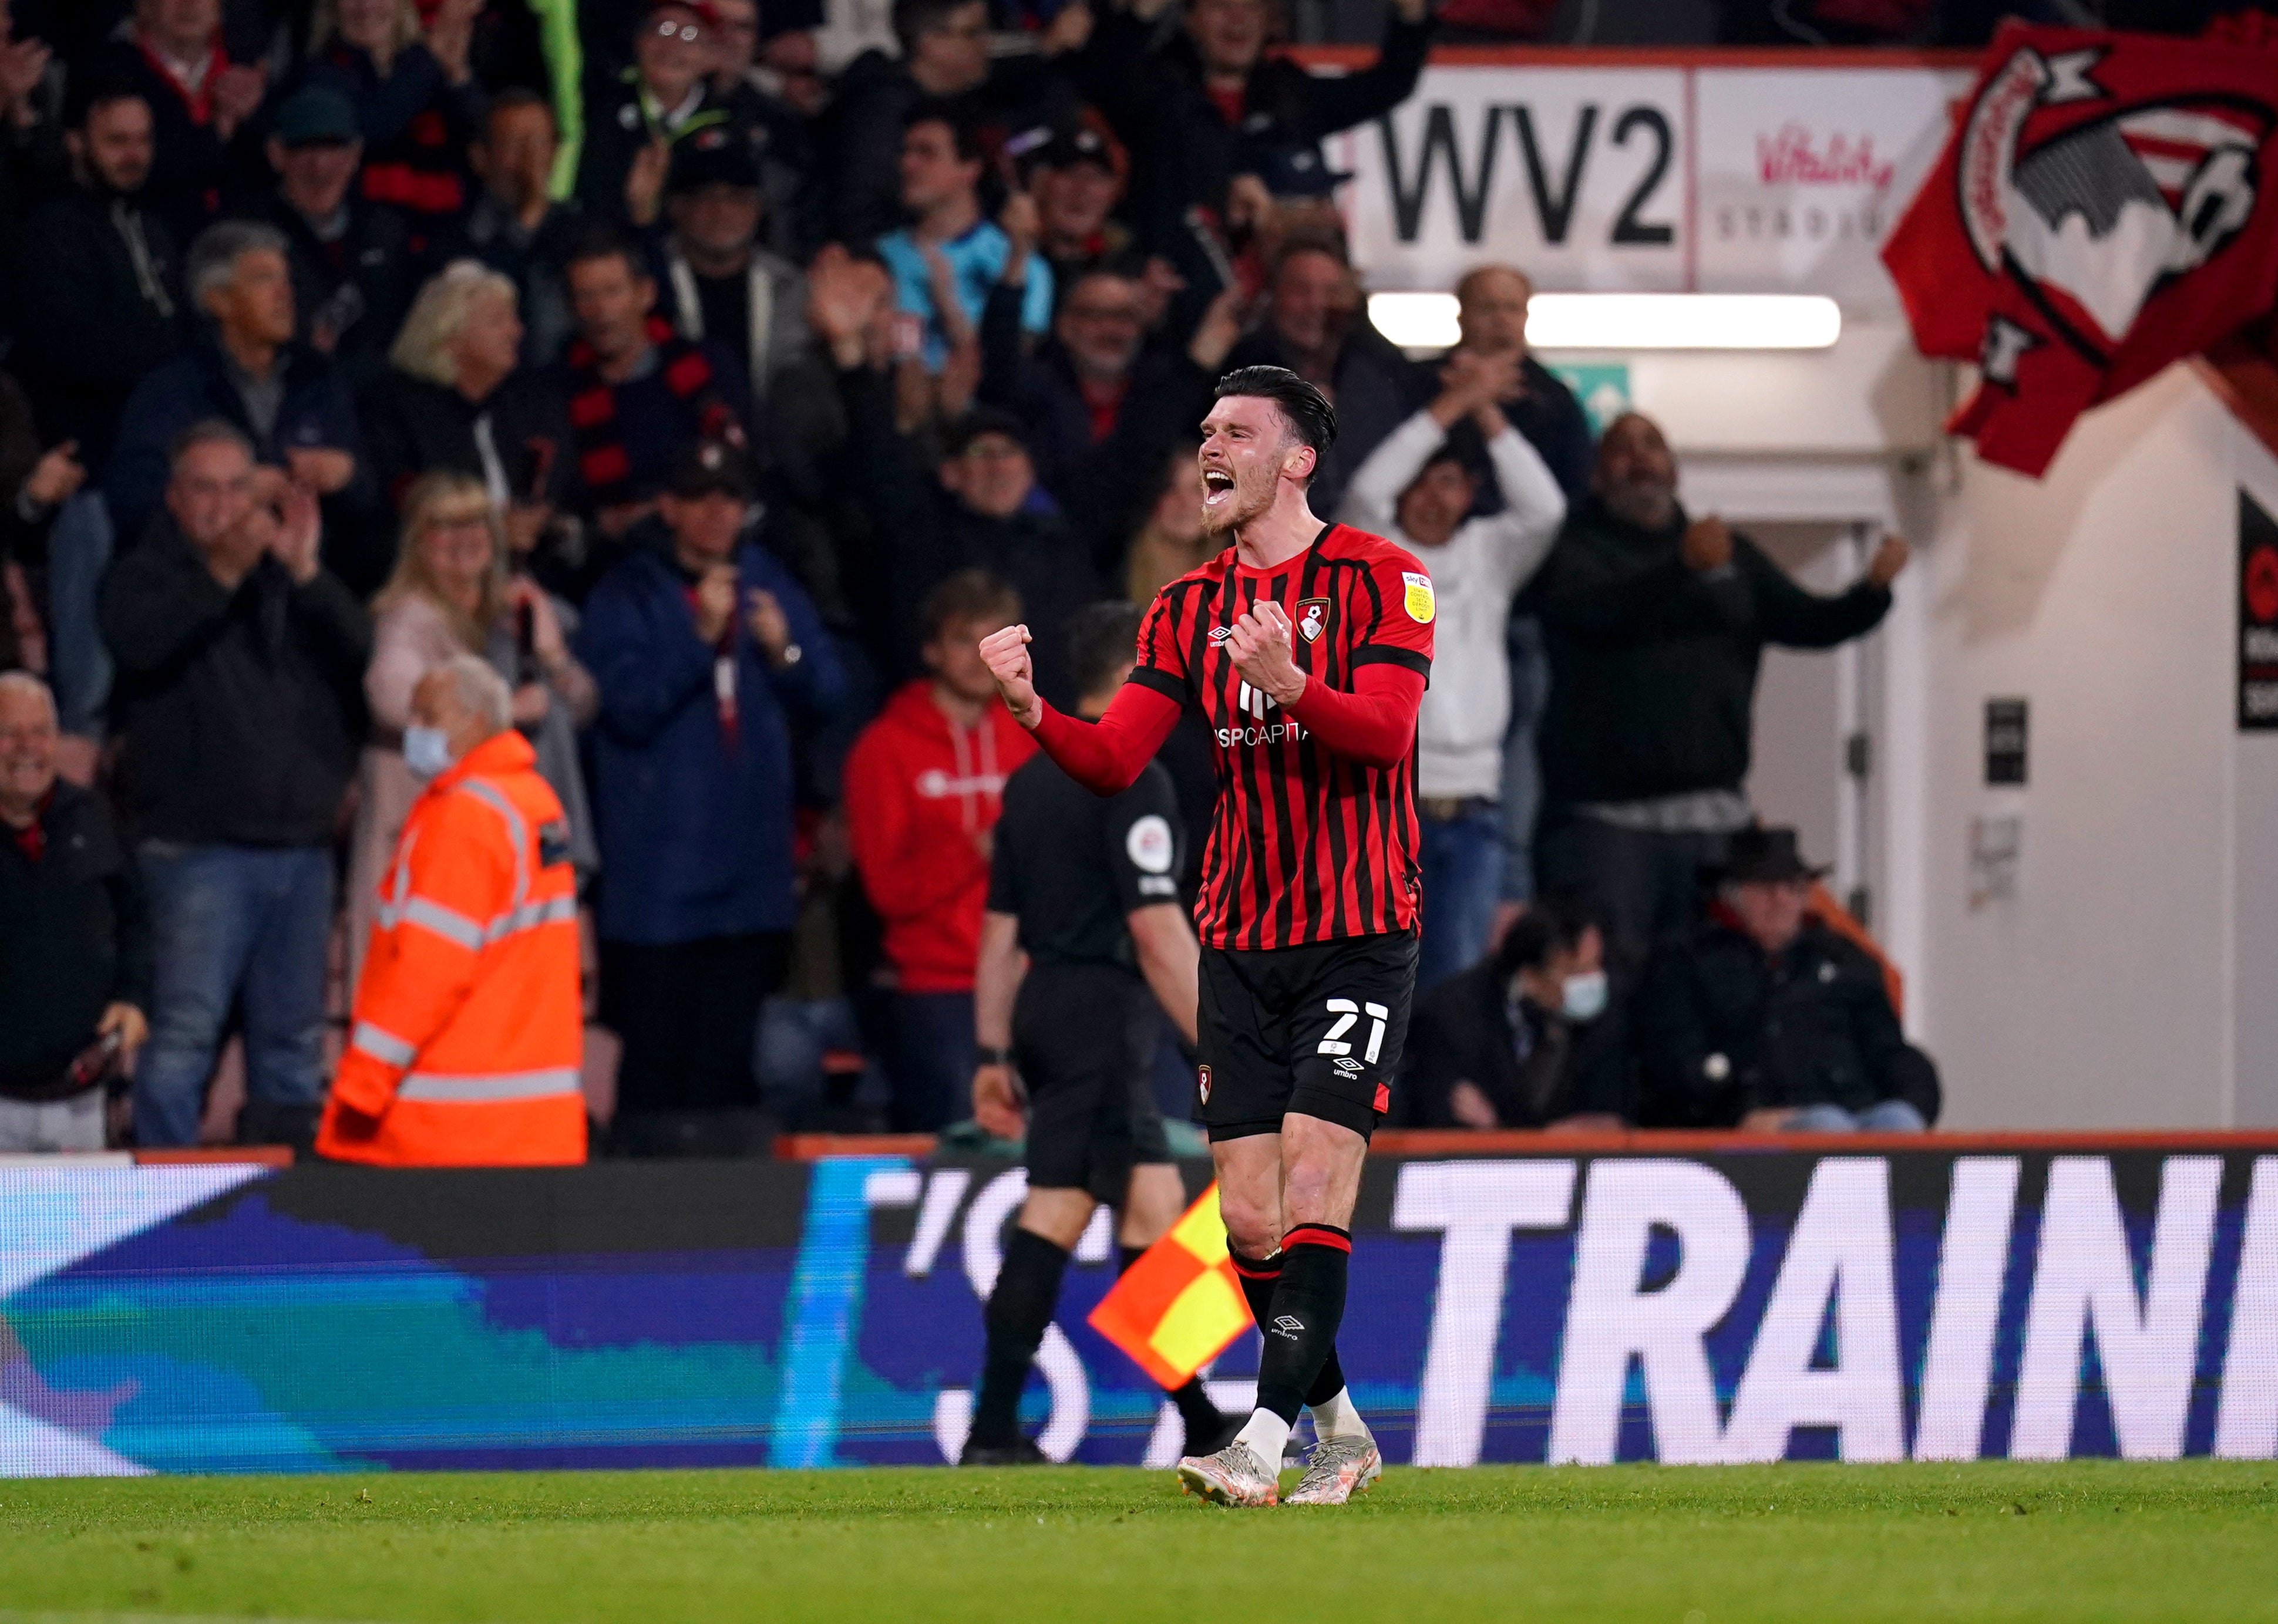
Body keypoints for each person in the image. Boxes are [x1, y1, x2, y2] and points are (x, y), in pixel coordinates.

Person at [978, 365, 1434, 1507]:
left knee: (1320, 1167)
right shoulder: (1185, 608)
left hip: (1359, 928)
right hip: (1240, 933)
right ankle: (1341, 1430)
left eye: (1235, 431)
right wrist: (1034, 710)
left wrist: (1288, 685)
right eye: (1203, 433)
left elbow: (1381, 737)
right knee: (1244, 1209)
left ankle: (1261, 1438)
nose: (1207, 449)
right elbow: (1114, 758)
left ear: (1297, 459)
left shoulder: (1387, 579)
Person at [961, 601, 1234, 1467]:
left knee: (1151, 1208)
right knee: (1056, 1207)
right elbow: (1157, 931)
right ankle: (992, 1431)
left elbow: (999, 929)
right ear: (1133, 673)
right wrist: (1220, 1046)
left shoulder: (1029, 779)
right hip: (1098, 1018)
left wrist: (993, 1050)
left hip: (1046, 1007)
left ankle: (1198, 1417)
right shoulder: (1133, 777)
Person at [1527, 412, 1909, 973]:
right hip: (1606, 829)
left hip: (1715, 822)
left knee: (1716, 977)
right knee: (1609, 986)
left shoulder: (1732, 557)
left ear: (1675, 470)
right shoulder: (1570, 554)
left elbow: (1809, 622)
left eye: (1652, 446)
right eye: (1621, 449)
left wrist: (1870, 592)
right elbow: (1600, 613)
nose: (1639, 459)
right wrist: (1681, 568)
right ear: (1596, 475)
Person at [101, 421, 372, 1150]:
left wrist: (309, 572)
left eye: (238, 488)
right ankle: (165, 1222)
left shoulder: (284, 577)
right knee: (182, 1042)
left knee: (292, 1050)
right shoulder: (143, 573)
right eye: (205, 488)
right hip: (197, 852)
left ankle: (281, 1219)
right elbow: (140, 644)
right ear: (174, 498)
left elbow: (362, 656)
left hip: (300, 849)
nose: (224, 504)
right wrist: (221, 574)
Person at [577, 439, 843, 1153]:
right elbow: (625, 706)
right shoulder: (628, 590)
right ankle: (642, 1221)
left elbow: (828, 691)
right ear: (669, 507)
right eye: (699, 498)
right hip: (659, 880)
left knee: (732, 1071)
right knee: (658, 1071)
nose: (717, 513)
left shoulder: (767, 582)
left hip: (748, 871)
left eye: (730, 499)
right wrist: (698, 640)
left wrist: (782, 650)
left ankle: (726, 1231)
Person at [1337, 347, 1564, 990]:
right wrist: (1451, 406)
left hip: (1476, 811)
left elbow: (1545, 508)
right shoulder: (1375, 555)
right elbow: (1366, 488)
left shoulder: (1492, 554)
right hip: (1388, 810)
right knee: (1379, 987)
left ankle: (1441, 1098)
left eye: (1451, 483)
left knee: (1458, 987)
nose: (1435, 497)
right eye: (1425, 481)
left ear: (1470, 493)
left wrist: (1485, 411)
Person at [317, 654, 587, 1167]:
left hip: (452, 1127)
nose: (413, 730)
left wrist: (361, 1087)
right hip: (532, 1123)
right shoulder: (532, 803)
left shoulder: (466, 816)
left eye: (428, 716)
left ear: (476, 723)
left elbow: (429, 971)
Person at [348, 472, 598, 989]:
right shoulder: (410, 618)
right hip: (420, 852)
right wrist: (504, 707)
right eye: (444, 527)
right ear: (418, 542)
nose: (464, 539)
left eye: (476, 525)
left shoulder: (504, 616)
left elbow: (582, 707)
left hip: (491, 852)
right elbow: (390, 696)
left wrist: (550, 651)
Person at [844, 568, 1035, 1131]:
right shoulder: (884, 749)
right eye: (963, 641)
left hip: (1032, 981)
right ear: (930, 650)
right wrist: (975, 849)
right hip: (938, 990)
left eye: (996, 638)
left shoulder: (1031, 732)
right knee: (967, 1148)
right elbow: (887, 891)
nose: (982, 658)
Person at [106, 220, 381, 588]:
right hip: (202, 592)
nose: (285, 293)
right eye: (264, 280)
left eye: (286, 279)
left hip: (307, 587)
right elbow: (133, 502)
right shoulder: (172, 391)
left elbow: (369, 495)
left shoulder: (316, 378)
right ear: (218, 300)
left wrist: (346, 476)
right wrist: (232, 493)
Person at [1633, 827, 1940, 1134]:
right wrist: (1741, 1115)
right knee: (1826, 1128)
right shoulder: (1688, 965)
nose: (1780, 900)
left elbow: (1889, 1050)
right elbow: (1675, 1065)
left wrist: (1914, 1101)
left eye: (1792, 888)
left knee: (1899, 1121)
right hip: (1755, 1124)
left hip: (1854, 1111)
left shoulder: (1845, 961)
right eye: (1766, 889)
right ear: (1732, 895)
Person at [1068, 0, 1429, 253]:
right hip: (1178, 289)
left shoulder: (1291, 93)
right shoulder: (1155, 93)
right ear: (1190, 19)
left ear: (1269, 21)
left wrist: (1411, 13)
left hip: (1280, 293)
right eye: (1222, 6)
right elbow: (1107, 78)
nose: (1238, 19)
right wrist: (1140, 15)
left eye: (1252, 6)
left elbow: (1388, 85)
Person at [981, 265, 1243, 575]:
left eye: (1125, 317)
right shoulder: (1036, 392)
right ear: (1065, 326)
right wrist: (1017, 260)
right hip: (1038, 562)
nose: (1112, 329)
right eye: (1096, 316)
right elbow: (998, 364)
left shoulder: (1156, 389)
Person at [0, 672, 149, 1153]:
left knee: (87, 1232)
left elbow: (137, 919)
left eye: (41, 732)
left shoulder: (94, 815)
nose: (28, 748)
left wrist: (133, 996)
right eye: (9, 733)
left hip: (81, 1105)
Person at [361, 260, 578, 574]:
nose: (516, 332)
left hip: (539, 583)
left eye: (513, 319)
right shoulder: (397, 415)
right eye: (497, 322)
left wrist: (548, 522)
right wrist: (490, 530)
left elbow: (569, 498)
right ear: (449, 340)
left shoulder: (533, 406)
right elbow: (398, 521)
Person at [11, 84, 181, 471]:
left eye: (143, 140)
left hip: (157, 435)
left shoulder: (153, 226)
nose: (134, 155)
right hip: (88, 453)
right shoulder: (52, 229)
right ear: (76, 142)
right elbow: (71, 350)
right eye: (117, 141)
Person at [558, 228, 750, 546]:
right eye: (586, 296)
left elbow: (741, 463)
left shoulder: (708, 368)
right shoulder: (559, 390)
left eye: (612, 292)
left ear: (645, 294)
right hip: (612, 559)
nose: (601, 311)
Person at [1222, 239, 1426, 515]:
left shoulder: (1377, 369)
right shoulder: (1238, 373)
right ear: (1273, 296)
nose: (1317, 305)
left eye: (1332, 292)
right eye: (1300, 290)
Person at [1399, 892, 1626, 1131]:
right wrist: (1514, 1138)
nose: (1592, 982)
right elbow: (1439, 1122)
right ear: (1531, 976)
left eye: (1596, 966)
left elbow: (1612, 1114)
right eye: (1577, 972)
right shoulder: (1451, 1020)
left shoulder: (1605, 1019)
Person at [243, 85, 420, 385]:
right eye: (304, 147)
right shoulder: (248, 237)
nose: (319, 166)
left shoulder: (386, 230)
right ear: (276, 154)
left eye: (333, 147)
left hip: (381, 401)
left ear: (355, 155)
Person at [877, 105, 1053, 375]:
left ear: (969, 169)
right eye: (906, 152)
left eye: (927, 153)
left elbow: (1010, 369)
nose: (907, 164)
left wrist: (947, 305)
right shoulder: (882, 256)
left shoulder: (1021, 264)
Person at [88, 0, 271, 251]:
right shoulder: (110, 71)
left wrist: (257, 118)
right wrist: (217, 132)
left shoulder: (245, 68)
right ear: (144, 6)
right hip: (148, 250)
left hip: (241, 252)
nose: (190, 5)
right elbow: (126, 172)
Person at [656, 126, 810, 412]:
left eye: (737, 197)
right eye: (707, 196)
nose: (722, 211)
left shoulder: (791, 286)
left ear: (758, 206)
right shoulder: (648, 282)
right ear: (676, 207)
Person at [298, 0, 487, 231]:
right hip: (367, 237)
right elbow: (374, 127)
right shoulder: (321, 75)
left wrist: (458, 77)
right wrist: (431, 55)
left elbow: (484, 143)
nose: (366, 7)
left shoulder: (423, 62)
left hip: (451, 233)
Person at [577, 0, 735, 229]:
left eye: (690, 35)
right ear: (638, 40)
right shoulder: (598, 102)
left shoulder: (732, 126)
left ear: (712, 57)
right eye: (663, 29)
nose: (672, 46)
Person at [459, 88, 587, 369]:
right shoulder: (459, 231)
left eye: (540, 143)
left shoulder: (582, 228)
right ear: (481, 158)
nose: (531, 159)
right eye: (515, 144)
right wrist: (527, 218)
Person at [1448, 264, 1594, 503]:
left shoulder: (1555, 400)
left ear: (1526, 316)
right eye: (1487, 308)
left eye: (1512, 308)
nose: (1501, 319)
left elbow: (1576, 485)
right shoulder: (1419, 383)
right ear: (1462, 316)